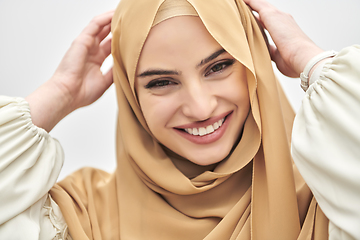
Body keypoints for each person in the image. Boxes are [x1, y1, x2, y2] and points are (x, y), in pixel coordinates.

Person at [0, 0, 359, 239]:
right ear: (130, 94)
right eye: (161, 82)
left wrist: (312, 60)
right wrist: (60, 92)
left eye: (219, 66)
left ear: (254, 64)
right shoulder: (82, 217)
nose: (200, 108)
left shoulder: (324, 200)